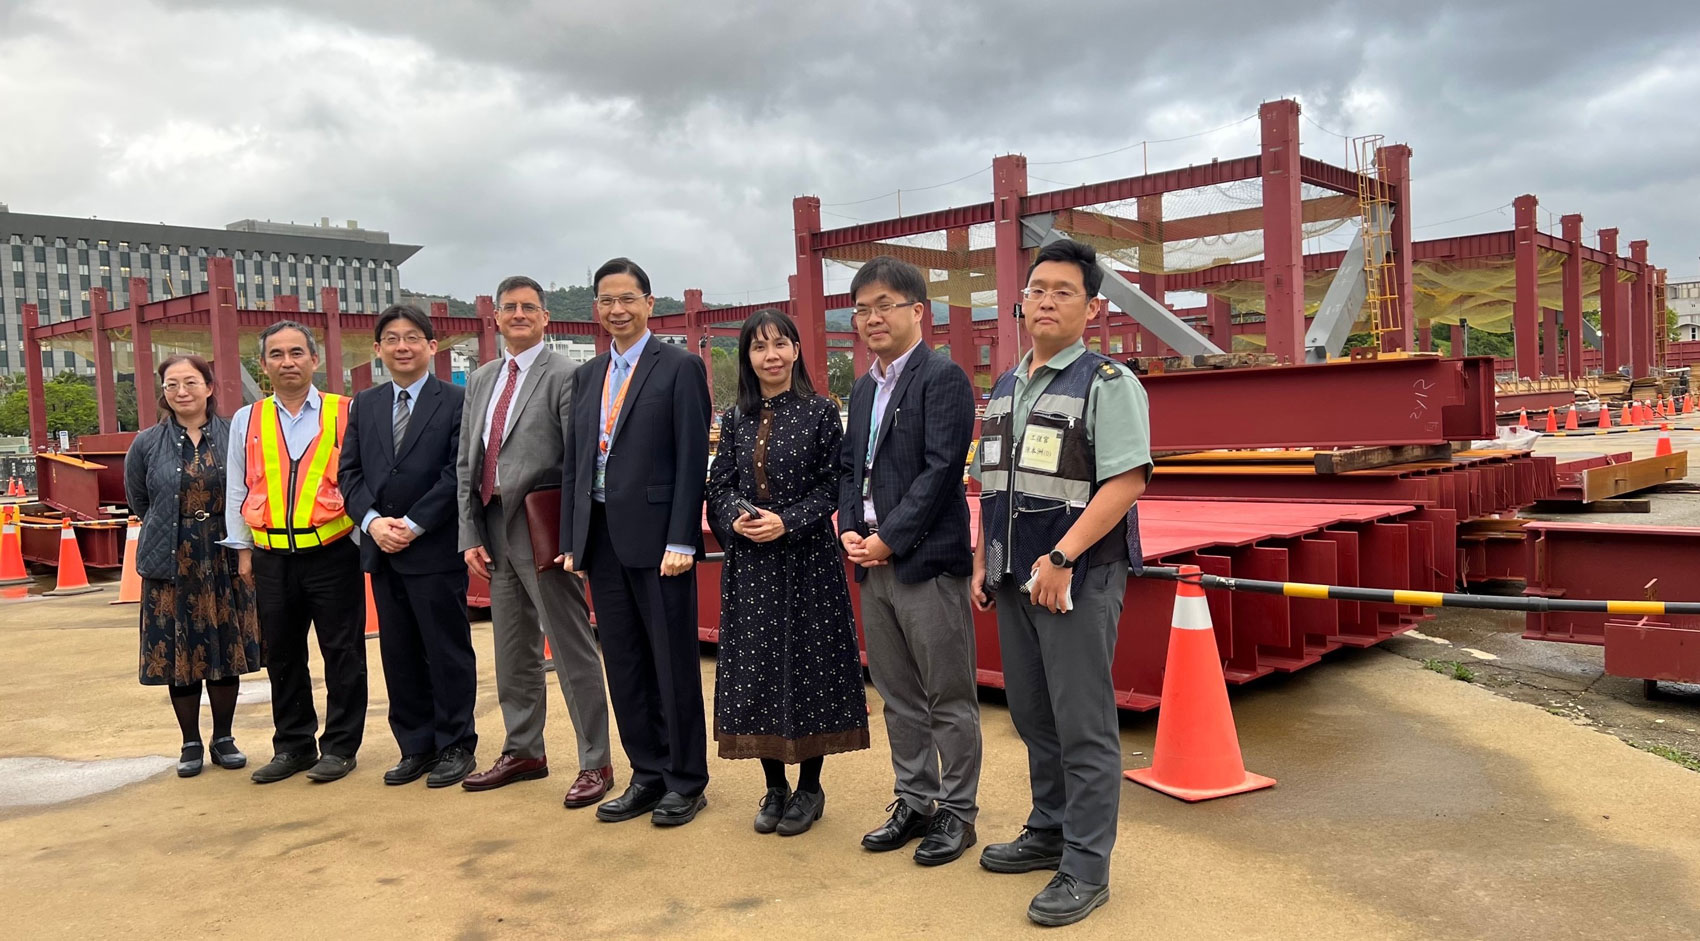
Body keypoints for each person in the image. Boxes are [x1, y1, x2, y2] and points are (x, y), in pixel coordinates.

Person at [970, 238, 1151, 928]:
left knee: (1082, 724)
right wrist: (985, 558)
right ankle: (1048, 828)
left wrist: (1064, 557)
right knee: (1032, 714)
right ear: (1020, 301)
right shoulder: (1005, 387)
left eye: (1063, 291)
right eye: (1037, 288)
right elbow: (989, 481)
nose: (1046, 300)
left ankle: (1085, 863)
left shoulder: (1107, 383)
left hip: (1075, 578)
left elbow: (1127, 479)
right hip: (1015, 578)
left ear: (1092, 307)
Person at [837, 255, 982, 865]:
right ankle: (914, 799)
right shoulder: (865, 385)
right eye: (862, 309)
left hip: (924, 563)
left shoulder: (941, 378)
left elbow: (940, 470)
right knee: (897, 693)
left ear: (918, 311)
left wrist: (889, 539)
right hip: (872, 564)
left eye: (884, 306)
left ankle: (958, 811)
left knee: (947, 695)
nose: (872, 318)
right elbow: (852, 469)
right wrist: (849, 528)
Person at [559, 257, 712, 826]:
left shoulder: (677, 368)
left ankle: (685, 780)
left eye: (627, 299)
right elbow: (578, 462)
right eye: (606, 301)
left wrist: (683, 538)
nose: (616, 310)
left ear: (650, 303)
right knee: (622, 662)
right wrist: (575, 540)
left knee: (672, 663)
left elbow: (693, 457)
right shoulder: (586, 376)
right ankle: (646, 773)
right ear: (595, 309)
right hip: (601, 539)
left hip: (659, 543)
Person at [705, 309, 869, 836]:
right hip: (750, 563)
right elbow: (720, 483)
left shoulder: (821, 411)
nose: (770, 355)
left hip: (806, 561)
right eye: (758, 347)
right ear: (749, 358)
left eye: (780, 344)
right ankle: (774, 785)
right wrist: (739, 518)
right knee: (755, 669)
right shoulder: (734, 418)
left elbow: (831, 486)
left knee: (808, 668)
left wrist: (787, 521)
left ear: (796, 351)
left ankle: (809, 788)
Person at [456, 276, 613, 807]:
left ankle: (596, 761)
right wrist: (468, 532)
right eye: (509, 308)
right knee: (511, 648)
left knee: (570, 648)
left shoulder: (566, 375)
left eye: (529, 307)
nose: (518, 314)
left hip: (541, 527)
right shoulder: (482, 379)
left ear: (547, 317)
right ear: (495, 319)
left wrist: (574, 538)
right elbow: (466, 463)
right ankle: (524, 749)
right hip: (493, 526)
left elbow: (578, 461)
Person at [340, 304, 478, 789]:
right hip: (382, 550)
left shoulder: (458, 400)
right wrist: (374, 523)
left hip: (434, 547)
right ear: (378, 350)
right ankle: (415, 745)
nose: (403, 346)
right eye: (393, 339)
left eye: (413, 337)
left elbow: (458, 472)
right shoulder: (365, 403)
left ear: (431, 346)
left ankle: (456, 744)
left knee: (446, 650)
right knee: (398, 652)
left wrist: (415, 524)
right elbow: (349, 474)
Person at [223, 321, 367, 784]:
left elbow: (362, 482)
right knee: (281, 654)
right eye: (278, 355)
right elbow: (236, 487)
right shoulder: (247, 419)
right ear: (263, 365)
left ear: (315, 360)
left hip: (332, 552)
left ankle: (341, 747)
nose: (288, 362)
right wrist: (242, 549)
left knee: (341, 652)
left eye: (297, 353)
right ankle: (293, 746)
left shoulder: (346, 412)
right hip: (270, 558)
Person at [124, 354, 263, 778]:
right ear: (163, 392)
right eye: (171, 385)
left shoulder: (233, 435)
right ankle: (189, 741)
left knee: (225, 648)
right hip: (170, 556)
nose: (181, 392)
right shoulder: (147, 443)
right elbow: (139, 501)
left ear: (209, 386)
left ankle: (224, 737)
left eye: (190, 382)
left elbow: (249, 488)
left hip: (223, 552)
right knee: (176, 652)